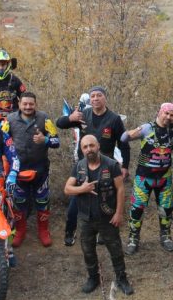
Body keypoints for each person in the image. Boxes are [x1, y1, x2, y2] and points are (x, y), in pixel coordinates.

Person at [56, 85, 130, 246]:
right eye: (93, 96)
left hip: (107, 166)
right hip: (83, 166)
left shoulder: (114, 119)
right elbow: (59, 124)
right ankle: (70, 232)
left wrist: (125, 166)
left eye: (99, 95)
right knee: (75, 201)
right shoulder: (83, 115)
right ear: (90, 99)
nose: (95, 98)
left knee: (106, 200)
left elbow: (124, 144)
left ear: (105, 98)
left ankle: (103, 233)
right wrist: (71, 118)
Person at [64, 134, 133, 295]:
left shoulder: (111, 165)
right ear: (82, 150)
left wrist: (119, 213)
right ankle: (93, 278)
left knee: (115, 250)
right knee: (88, 250)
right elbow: (67, 189)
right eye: (85, 147)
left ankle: (122, 278)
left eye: (91, 145)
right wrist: (82, 189)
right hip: (86, 217)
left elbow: (120, 189)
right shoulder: (79, 166)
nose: (89, 149)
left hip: (107, 216)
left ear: (98, 146)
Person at [122, 102, 173, 254]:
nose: (168, 117)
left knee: (166, 208)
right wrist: (130, 132)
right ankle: (133, 238)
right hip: (144, 177)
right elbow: (123, 138)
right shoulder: (147, 128)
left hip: (164, 177)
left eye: (172, 115)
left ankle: (166, 237)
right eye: (166, 113)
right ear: (159, 112)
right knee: (137, 208)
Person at [5, 92, 60, 247]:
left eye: (31, 104)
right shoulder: (10, 120)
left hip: (40, 169)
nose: (28, 107)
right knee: (18, 201)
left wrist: (45, 140)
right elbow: (2, 140)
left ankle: (43, 231)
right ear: (19, 104)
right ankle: (20, 231)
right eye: (25, 104)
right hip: (18, 170)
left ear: (35, 104)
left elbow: (56, 142)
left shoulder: (44, 118)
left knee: (42, 200)